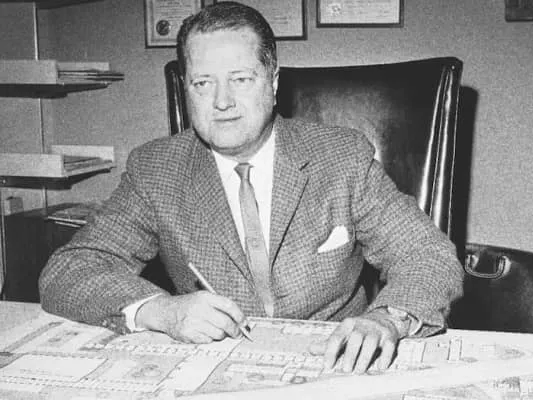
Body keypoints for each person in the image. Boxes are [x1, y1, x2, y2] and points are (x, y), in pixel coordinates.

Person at [39, 1, 463, 374]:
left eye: (240, 79)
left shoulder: (341, 157)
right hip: (212, 365)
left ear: (273, 82)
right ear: (186, 88)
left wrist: (386, 318)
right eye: (203, 83)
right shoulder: (156, 169)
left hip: (333, 363)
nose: (221, 102)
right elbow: (70, 270)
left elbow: (426, 254)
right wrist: (160, 310)